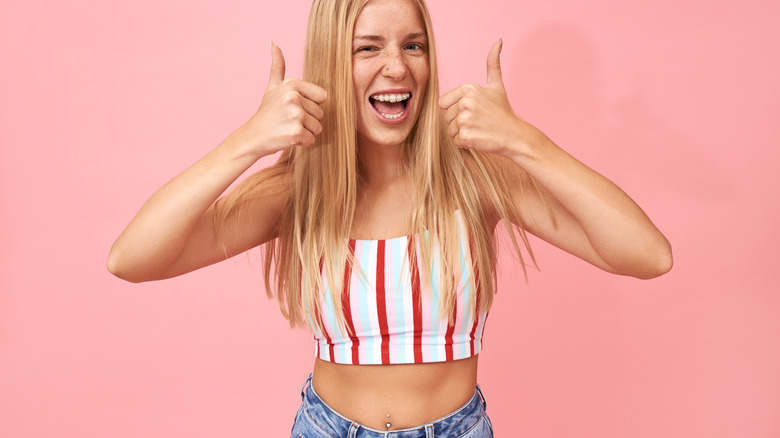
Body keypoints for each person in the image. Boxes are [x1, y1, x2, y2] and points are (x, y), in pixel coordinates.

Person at [108, 0, 672, 436]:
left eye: (414, 45)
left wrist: (527, 142)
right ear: (333, 59)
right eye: (368, 48)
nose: (396, 67)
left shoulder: (476, 177)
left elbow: (649, 255)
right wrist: (245, 144)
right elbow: (131, 259)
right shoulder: (297, 190)